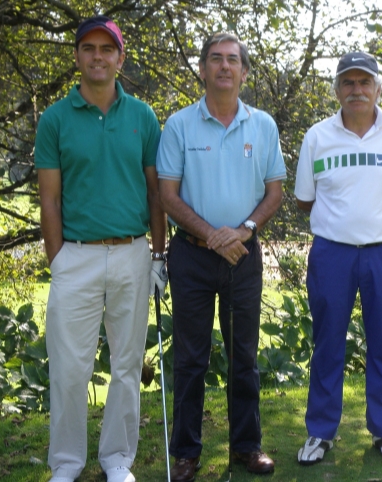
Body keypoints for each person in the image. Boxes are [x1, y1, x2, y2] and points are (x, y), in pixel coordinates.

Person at [35, 15, 166, 482]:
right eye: (88, 48)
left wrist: (158, 254)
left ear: (119, 58)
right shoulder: (55, 118)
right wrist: (58, 258)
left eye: (106, 49)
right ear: (77, 57)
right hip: (76, 254)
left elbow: (155, 192)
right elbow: (49, 197)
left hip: (133, 252)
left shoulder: (143, 116)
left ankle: (117, 461)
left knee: (128, 363)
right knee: (70, 368)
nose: (97, 57)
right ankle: (67, 465)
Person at [156, 33, 285, 482]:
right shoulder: (179, 125)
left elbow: (274, 192)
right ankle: (187, 453)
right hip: (191, 257)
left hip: (243, 257)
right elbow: (167, 195)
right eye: (216, 59)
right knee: (191, 358)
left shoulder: (263, 125)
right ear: (203, 69)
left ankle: (246, 447)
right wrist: (213, 235)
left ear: (244, 72)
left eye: (233, 60)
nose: (225, 67)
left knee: (243, 357)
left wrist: (244, 231)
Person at [293, 52, 382, 465]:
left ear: (379, 88)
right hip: (333, 253)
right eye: (347, 82)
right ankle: (320, 431)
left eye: (364, 82)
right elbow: (304, 200)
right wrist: (342, 223)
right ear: (336, 90)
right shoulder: (317, 136)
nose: (356, 90)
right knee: (327, 341)